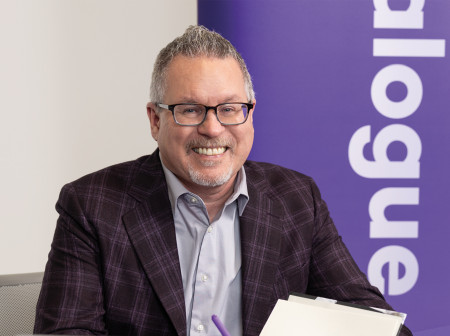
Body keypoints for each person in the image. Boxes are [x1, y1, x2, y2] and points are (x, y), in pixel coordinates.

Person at [34, 25, 412, 336]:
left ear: (249, 115)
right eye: (191, 110)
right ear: (155, 120)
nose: (212, 128)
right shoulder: (92, 205)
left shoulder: (298, 199)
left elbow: (376, 323)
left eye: (230, 109)